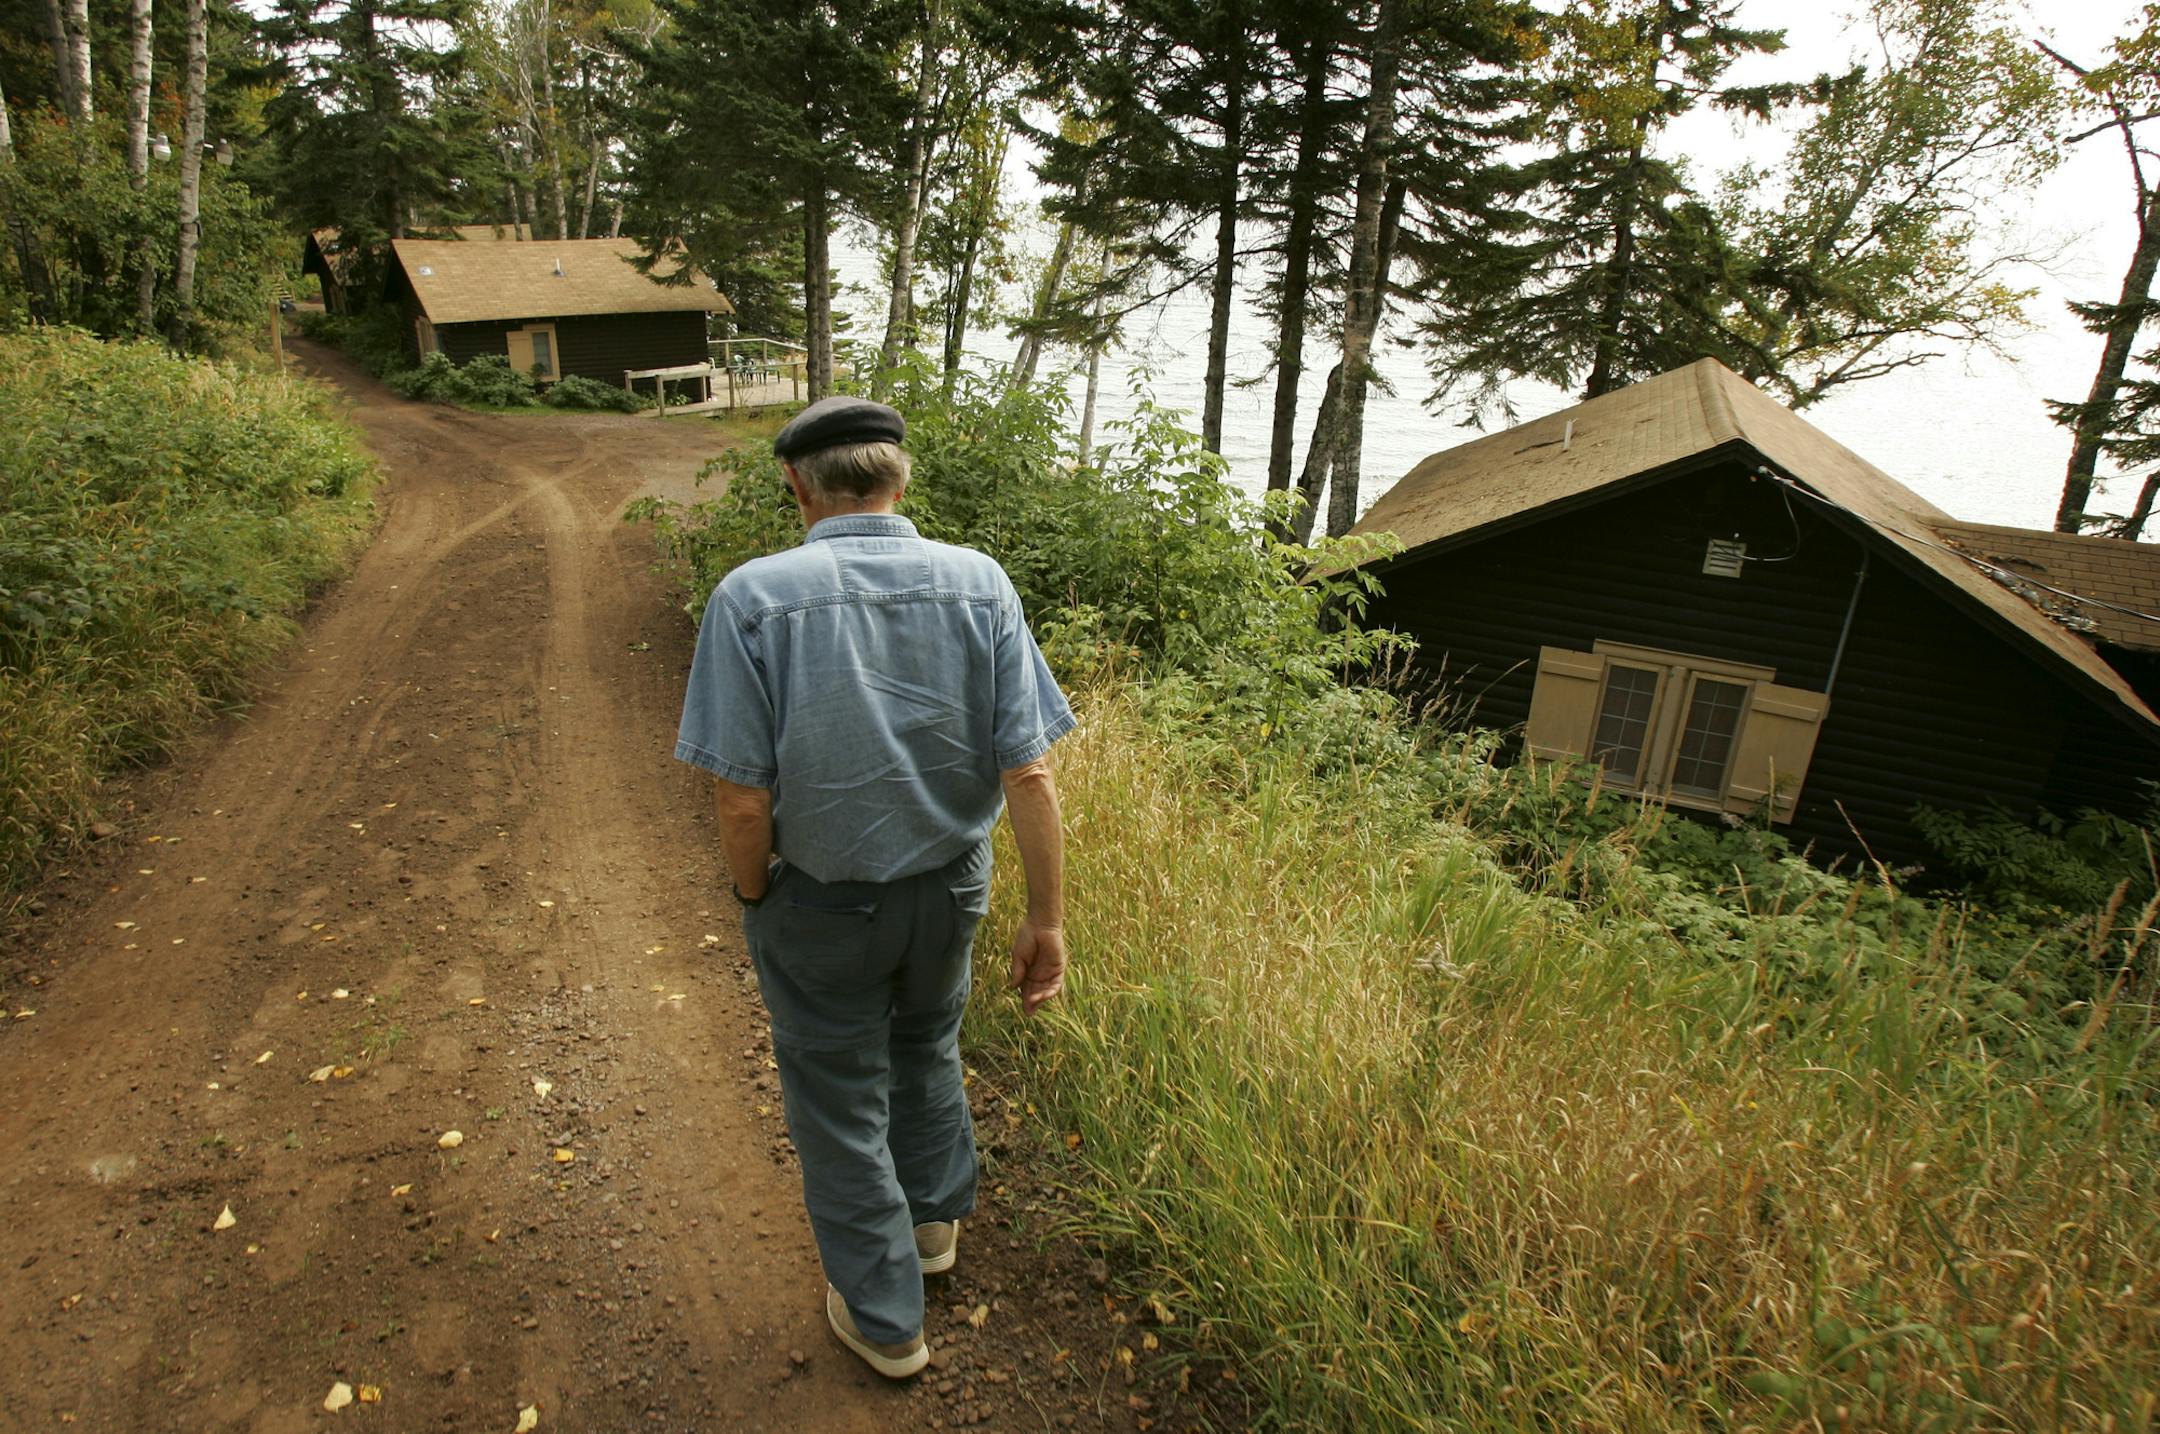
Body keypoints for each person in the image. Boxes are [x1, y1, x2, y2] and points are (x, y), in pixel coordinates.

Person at [673, 395, 1075, 1380]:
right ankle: (932, 1230)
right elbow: (1027, 771)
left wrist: (755, 897)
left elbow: (739, 800)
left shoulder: (754, 598)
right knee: (926, 1041)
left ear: (797, 486)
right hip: (950, 891)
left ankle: (888, 1320)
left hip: (821, 899)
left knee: (839, 1089)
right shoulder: (979, 583)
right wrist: (1046, 918)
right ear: (901, 481)